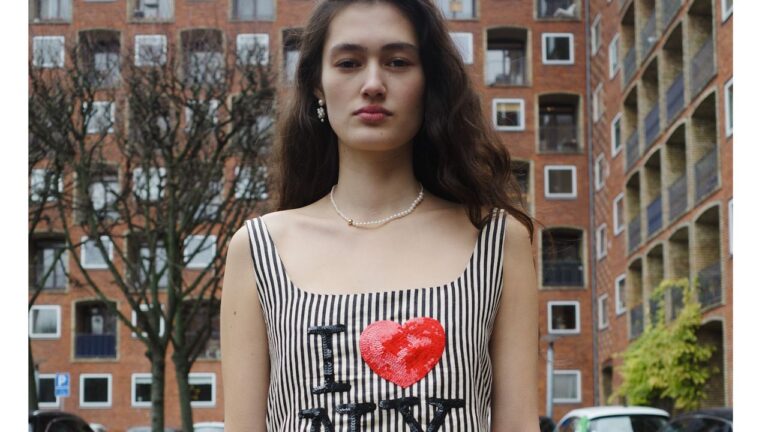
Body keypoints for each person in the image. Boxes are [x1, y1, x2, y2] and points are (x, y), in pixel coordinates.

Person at [221, 0, 539, 430]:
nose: (373, 84)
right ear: (317, 85)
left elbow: (517, 422)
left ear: (428, 82)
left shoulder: (495, 240)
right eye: (349, 63)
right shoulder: (259, 250)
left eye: (397, 62)